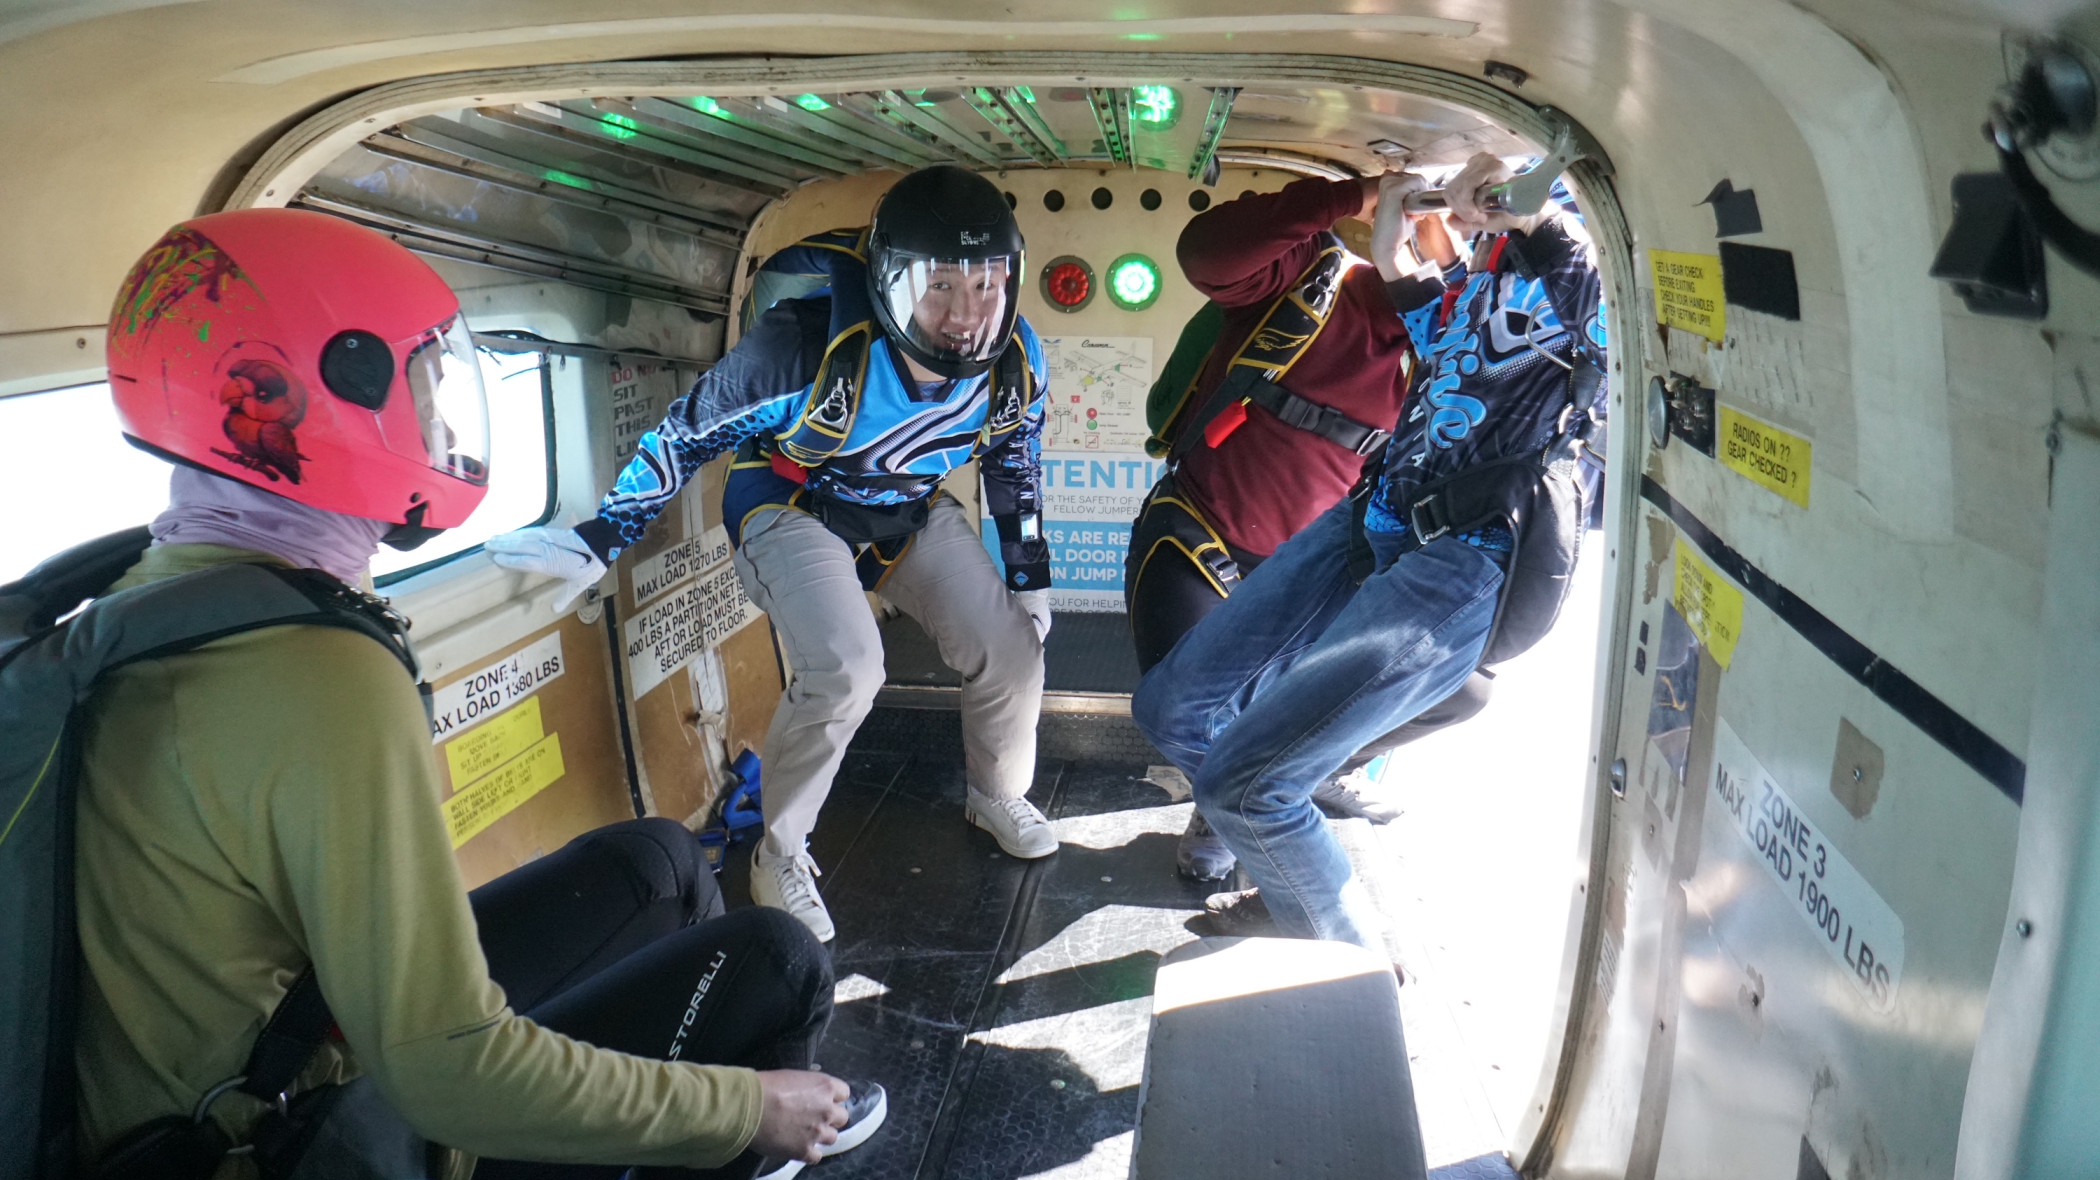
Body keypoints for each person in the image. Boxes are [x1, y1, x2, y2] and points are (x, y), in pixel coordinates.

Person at [66, 207, 881, 1180]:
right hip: (291, 1141)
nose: (438, 416)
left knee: (660, 859)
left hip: (293, 1046)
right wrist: (743, 1107)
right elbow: (453, 1076)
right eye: (420, 383)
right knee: (779, 968)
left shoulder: (159, 595)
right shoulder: (315, 671)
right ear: (319, 396)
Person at [487, 166, 1059, 945]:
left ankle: (997, 792)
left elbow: (1013, 465)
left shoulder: (1017, 362)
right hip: (793, 503)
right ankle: (779, 853)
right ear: (891, 285)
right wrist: (603, 534)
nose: (966, 315)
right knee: (849, 668)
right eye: (941, 287)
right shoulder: (804, 348)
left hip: (904, 510)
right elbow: (686, 433)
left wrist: (1029, 580)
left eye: (987, 285)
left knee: (1014, 653)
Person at [1132, 152, 1607, 945]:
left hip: (1466, 559)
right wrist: (1388, 213)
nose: (1460, 228)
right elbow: (1409, 287)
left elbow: (1567, 250)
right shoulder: (1472, 289)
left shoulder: (1580, 285)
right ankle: (1274, 840)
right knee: (1170, 707)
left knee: (1248, 788)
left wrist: (1509, 202)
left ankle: (1350, 961)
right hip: (1375, 517)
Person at [1127, 170, 1494, 881]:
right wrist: (1355, 195)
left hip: (1327, 576)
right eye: (1437, 224)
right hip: (1203, 542)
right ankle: (1233, 789)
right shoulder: (1312, 282)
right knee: (1184, 708)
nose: (1450, 248)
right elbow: (1209, 252)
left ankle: (1295, 770)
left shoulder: (1457, 345)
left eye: (1469, 239)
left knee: (1464, 688)